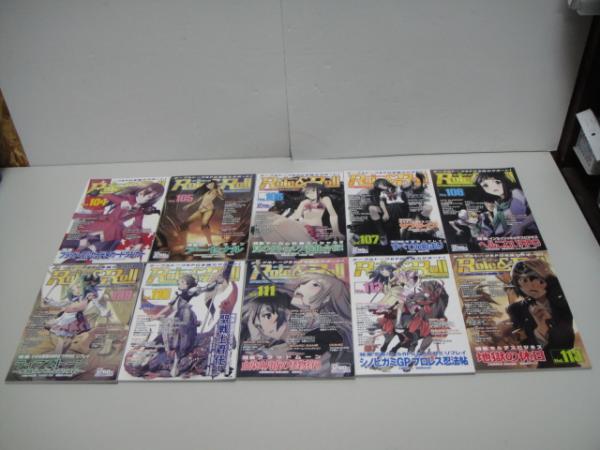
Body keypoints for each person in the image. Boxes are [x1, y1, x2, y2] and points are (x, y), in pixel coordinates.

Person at [506, 259, 576, 368]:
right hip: (542, 366)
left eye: (537, 278)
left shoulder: (562, 301)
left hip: (568, 362)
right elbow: (526, 349)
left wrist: (550, 277)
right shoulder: (515, 309)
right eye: (524, 280)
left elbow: (566, 338)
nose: (531, 285)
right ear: (518, 285)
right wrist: (541, 329)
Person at [68, 182, 165, 253]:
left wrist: (138, 243)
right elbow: (109, 196)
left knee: (87, 252)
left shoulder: (139, 212)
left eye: (149, 197)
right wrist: (121, 202)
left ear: (150, 201)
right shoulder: (127, 198)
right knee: (79, 245)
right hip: (99, 226)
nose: (143, 196)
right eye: (145, 192)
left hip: (110, 237)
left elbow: (137, 227)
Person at [256, 182, 344, 244]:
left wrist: (336, 231)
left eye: (313, 191)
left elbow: (333, 215)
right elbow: (296, 216)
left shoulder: (325, 200)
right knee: (269, 220)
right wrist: (278, 222)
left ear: (319, 191)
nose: (310, 194)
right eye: (307, 192)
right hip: (303, 228)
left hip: (316, 231)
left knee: (278, 223)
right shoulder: (304, 202)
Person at [475, 172, 538, 237]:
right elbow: (502, 227)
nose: (493, 187)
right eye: (485, 185)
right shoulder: (498, 204)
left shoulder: (516, 193)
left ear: (503, 180)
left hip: (529, 234)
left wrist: (521, 225)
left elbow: (537, 212)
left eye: (496, 182)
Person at [181, 179, 224, 246]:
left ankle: (210, 243)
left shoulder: (216, 191)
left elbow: (222, 197)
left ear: (214, 185)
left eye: (211, 184)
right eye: (208, 184)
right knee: (185, 223)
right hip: (200, 210)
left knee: (204, 224)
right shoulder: (206, 193)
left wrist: (218, 188)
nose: (209, 185)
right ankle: (183, 241)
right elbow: (197, 200)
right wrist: (188, 205)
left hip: (209, 210)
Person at [368, 178, 409, 246]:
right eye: (378, 186)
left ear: (385, 182)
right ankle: (382, 234)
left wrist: (406, 183)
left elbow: (405, 185)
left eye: (380, 184)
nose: (380, 186)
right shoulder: (383, 192)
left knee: (395, 205)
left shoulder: (397, 188)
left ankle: (399, 231)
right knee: (371, 208)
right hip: (388, 209)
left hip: (400, 209)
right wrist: (385, 213)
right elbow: (381, 202)